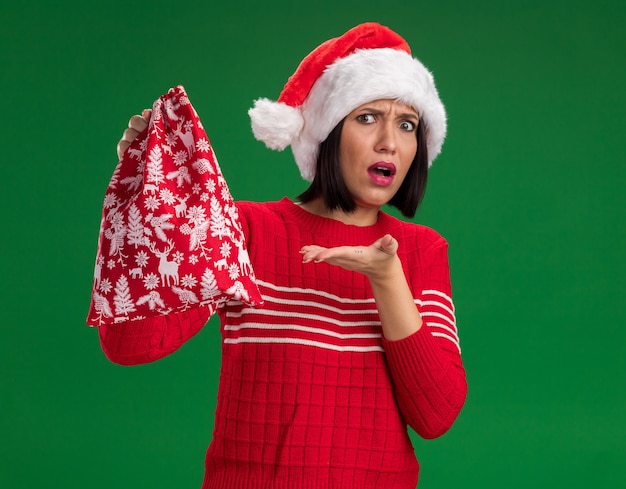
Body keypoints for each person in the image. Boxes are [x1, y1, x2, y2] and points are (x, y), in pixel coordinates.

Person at [101, 22, 467, 489]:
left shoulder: (421, 252)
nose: (389, 143)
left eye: (407, 124)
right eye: (367, 117)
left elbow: (436, 415)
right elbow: (130, 343)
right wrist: (149, 207)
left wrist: (388, 280)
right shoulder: (247, 229)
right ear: (326, 130)